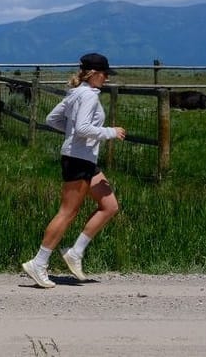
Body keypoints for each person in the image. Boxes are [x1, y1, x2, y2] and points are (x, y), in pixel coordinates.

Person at [21, 52, 127, 288]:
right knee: (68, 212)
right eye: (105, 74)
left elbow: (52, 119)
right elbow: (82, 128)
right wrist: (111, 132)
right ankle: (38, 263)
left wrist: (72, 136)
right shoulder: (87, 95)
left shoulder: (75, 93)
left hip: (83, 158)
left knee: (109, 206)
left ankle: (75, 253)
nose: (107, 78)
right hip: (79, 159)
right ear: (94, 73)